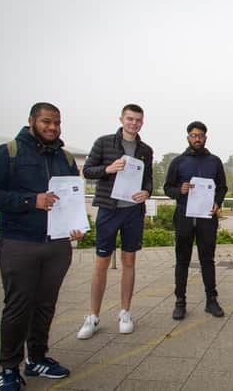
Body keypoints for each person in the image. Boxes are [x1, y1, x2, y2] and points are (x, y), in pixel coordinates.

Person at [0, 103, 84, 391]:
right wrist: (30, 201)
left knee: (45, 306)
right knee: (17, 307)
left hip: (58, 244)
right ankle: (9, 367)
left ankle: (37, 358)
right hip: (19, 241)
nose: (53, 127)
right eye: (47, 122)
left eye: (57, 123)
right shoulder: (8, 152)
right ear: (32, 121)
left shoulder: (65, 157)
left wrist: (77, 225)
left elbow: (73, 194)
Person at [77, 104, 153, 339]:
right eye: (130, 119)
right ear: (121, 119)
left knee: (129, 262)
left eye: (138, 120)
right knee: (101, 263)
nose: (134, 123)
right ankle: (93, 316)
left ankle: (125, 312)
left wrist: (147, 193)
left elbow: (148, 179)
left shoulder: (145, 149)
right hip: (109, 210)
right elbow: (87, 171)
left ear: (142, 122)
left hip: (132, 211)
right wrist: (108, 168)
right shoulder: (104, 142)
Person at [163, 121, 228, 320]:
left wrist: (217, 202)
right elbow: (167, 188)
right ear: (188, 137)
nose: (197, 139)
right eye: (193, 135)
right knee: (182, 260)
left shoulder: (214, 161)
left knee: (207, 259)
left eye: (200, 135)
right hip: (184, 216)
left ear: (206, 137)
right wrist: (179, 190)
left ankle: (211, 300)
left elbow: (222, 187)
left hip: (207, 218)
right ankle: (180, 302)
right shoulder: (178, 162)